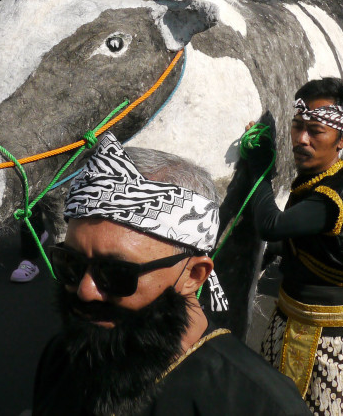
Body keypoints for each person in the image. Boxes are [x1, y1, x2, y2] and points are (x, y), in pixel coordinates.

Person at [33, 133, 309, 416]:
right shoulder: (66, 355)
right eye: (71, 263)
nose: (85, 290)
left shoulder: (259, 404)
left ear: (194, 275)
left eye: (115, 273)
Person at [243, 78, 343, 414]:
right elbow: (296, 242)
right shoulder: (315, 178)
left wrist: (260, 168)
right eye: (297, 127)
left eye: (315, 131)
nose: (301, 139)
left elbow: (271, 226)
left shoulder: (342, 192)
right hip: (292, 316)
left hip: (332, 337)